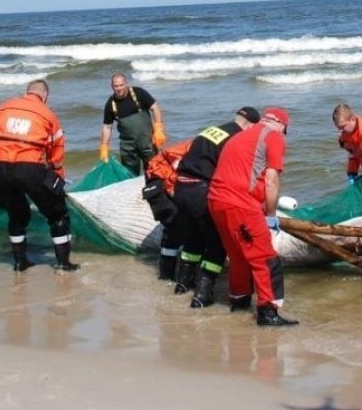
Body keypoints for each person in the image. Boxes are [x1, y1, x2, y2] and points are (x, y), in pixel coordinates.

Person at [207, 107, 299, 326]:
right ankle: (268, 312)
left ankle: (239, 302)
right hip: (240, 204)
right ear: (281, 125)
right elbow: (271, 180)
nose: (284, 136)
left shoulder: (240, 136)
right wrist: (271, 216)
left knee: (238, 255)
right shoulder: (273, 136)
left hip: (216, 200)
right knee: (265, 257)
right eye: (285, 131)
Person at [171, 106, 261, 308]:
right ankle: (203, 294)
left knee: (193, 239)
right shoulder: (237, 138)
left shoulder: (212, 130)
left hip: (181, 189)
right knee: (218, 243)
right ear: (251, 126)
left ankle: (183, 284)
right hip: (202, 191)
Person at [0, 79, 78, 272]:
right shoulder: (48, 114)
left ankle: (20, 262)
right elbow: (56, 155)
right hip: (29, 168)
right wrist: (57, 185)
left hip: (1, 169)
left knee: (17, 215)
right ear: (44, 96)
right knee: (58, 215)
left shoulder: (3, 107)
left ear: (27, 92)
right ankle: (64, 264)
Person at [142, 139, 192, 283]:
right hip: (159, 183)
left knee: (178, 228)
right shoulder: (195, 151)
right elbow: (171, 179)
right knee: (175, 226)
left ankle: (170, 276)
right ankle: (168, 277)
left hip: (163, 179)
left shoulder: (201, 147)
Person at [99, 73, 166, 175]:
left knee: (154, 170)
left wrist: (158, 129)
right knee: (129, 175)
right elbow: (107, 127)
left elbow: (155, 107)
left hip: (147, 143)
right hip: (128, 148)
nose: (119, 88)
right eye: (116, 86)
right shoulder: (111, 104)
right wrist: (104, 147)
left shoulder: (138, 93)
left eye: (121, 85)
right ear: (112, 87)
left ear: (126, 83)